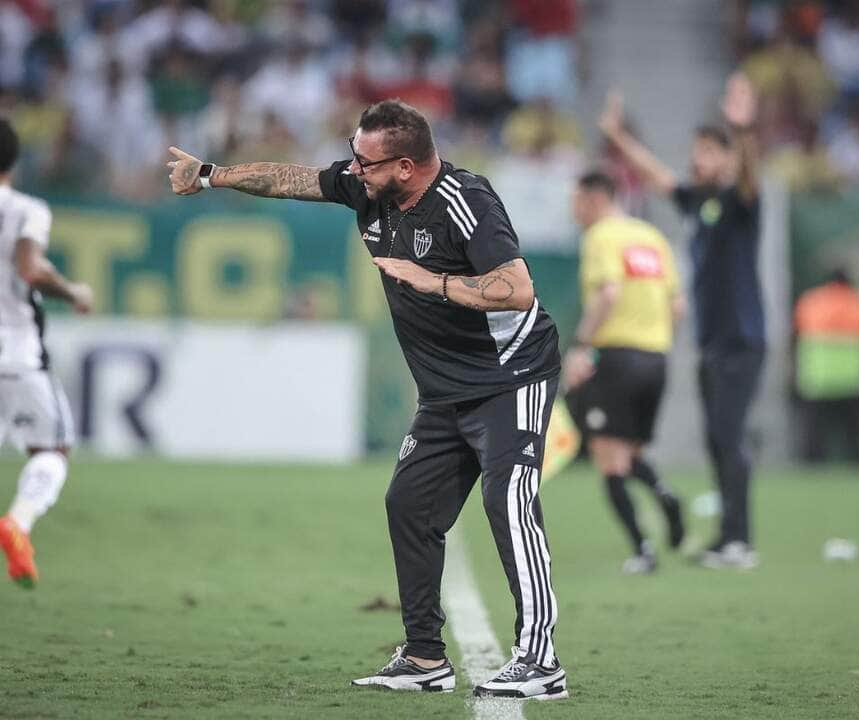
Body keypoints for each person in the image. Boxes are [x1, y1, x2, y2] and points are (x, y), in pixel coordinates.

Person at [166, 99, 567, 700]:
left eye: (365, 161)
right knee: (408, 504)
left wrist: (434, 281)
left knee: (508, 499)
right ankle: (425, 657)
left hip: (511, 376)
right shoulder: (368, 189)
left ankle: (540, 659)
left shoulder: (467, 201)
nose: (352, 170)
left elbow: (516, 289)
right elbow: (289, 179)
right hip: (444, 391)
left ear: (405, 166)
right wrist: (210, 175)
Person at [598, 73, 765, 570]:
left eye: (710, 151)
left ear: (729, 157)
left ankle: (741, 542)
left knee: (727, 435)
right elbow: (656, 175)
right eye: (697, 150)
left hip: (741, 341)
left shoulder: (740, 203)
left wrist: (744, 132)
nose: (698, 158)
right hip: (713, 342)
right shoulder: (698, 200)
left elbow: (751, 175)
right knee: (716, 437)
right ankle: (727, 537)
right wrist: (618, 139)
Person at [563, 171, 686, 574]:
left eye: (577, 201)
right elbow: (678, 305)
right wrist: (657, 341)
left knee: (608, 458)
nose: (573, 210)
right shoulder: (651, 237)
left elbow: (609, 293)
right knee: (631, 451)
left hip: (617, 355)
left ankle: (642, 550)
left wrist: (582, 346)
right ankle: (665, 494)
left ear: (596, 199)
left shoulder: (601, 237)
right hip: (656, 356)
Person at [0, 118, 94, 589]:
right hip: (15, 357)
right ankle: (18, 521)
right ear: (14, 161)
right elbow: (28, 268)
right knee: (52, 449)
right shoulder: (24, 209)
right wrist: (71, 289)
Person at [793, 269, 859, 463]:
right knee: (855, 435)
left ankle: (811, 469)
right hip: (852, 380)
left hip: (817, 379)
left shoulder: (811, 301)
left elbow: (797, 332)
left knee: (814, 434)